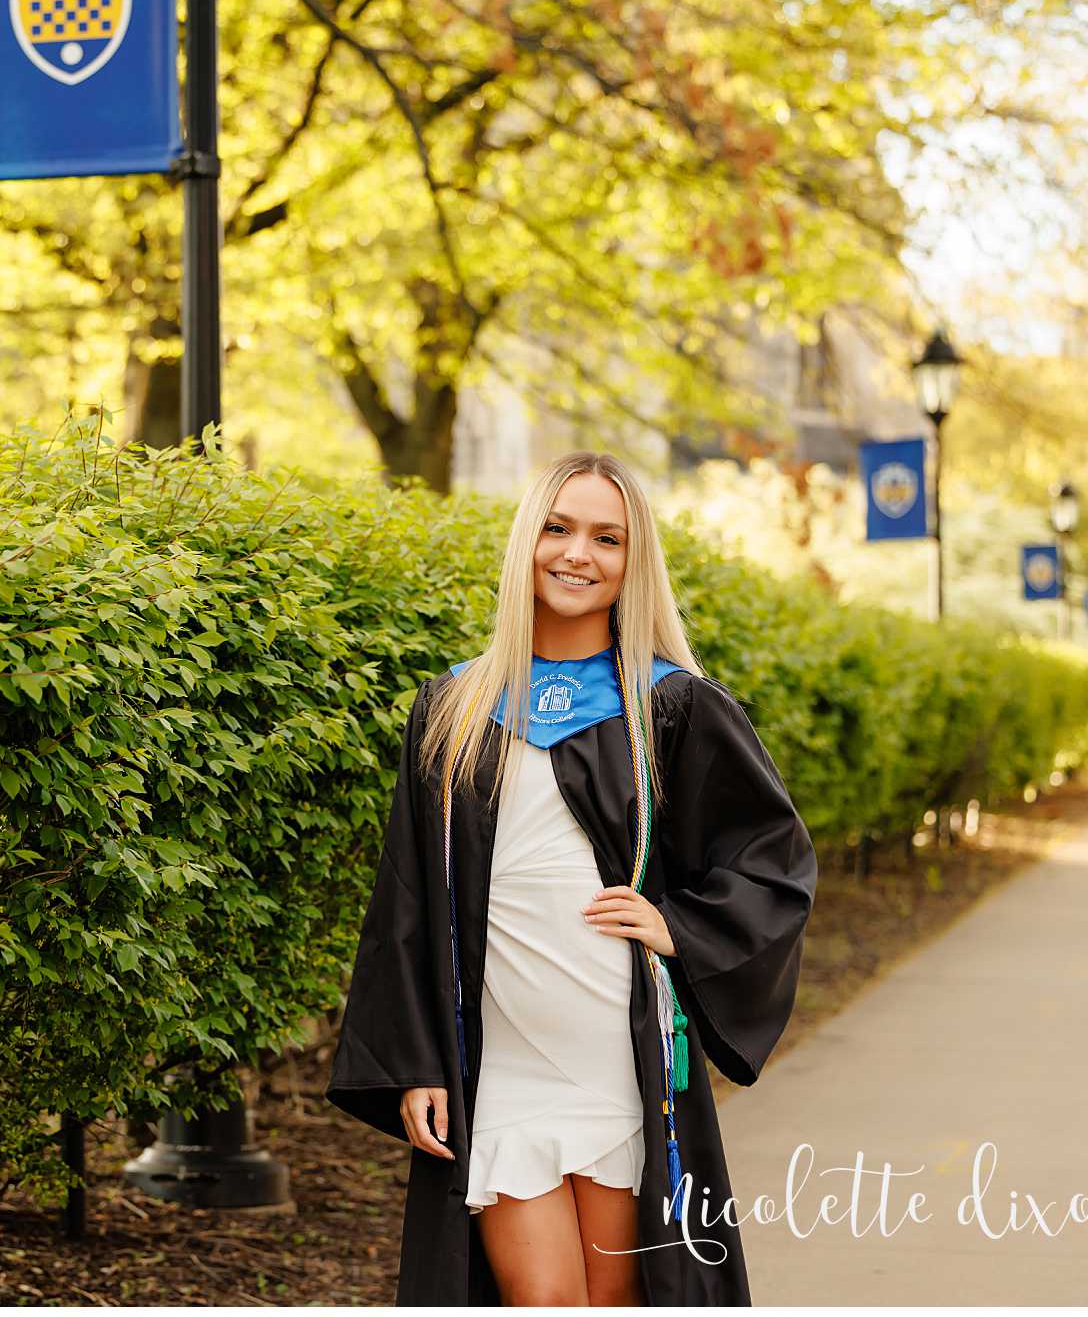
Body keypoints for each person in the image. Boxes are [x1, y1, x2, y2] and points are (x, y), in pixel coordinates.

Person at [325, 451, 818, 1305]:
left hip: (616, 1054)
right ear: (527, 542)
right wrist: (415, 1062)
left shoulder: (670, 704)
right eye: (557, 528)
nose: (576, 553)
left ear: (635, 563)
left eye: (606, 537)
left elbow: (771, 859)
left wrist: (680, 926)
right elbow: (405, 897)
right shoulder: (453, 709)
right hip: (502, 1064)